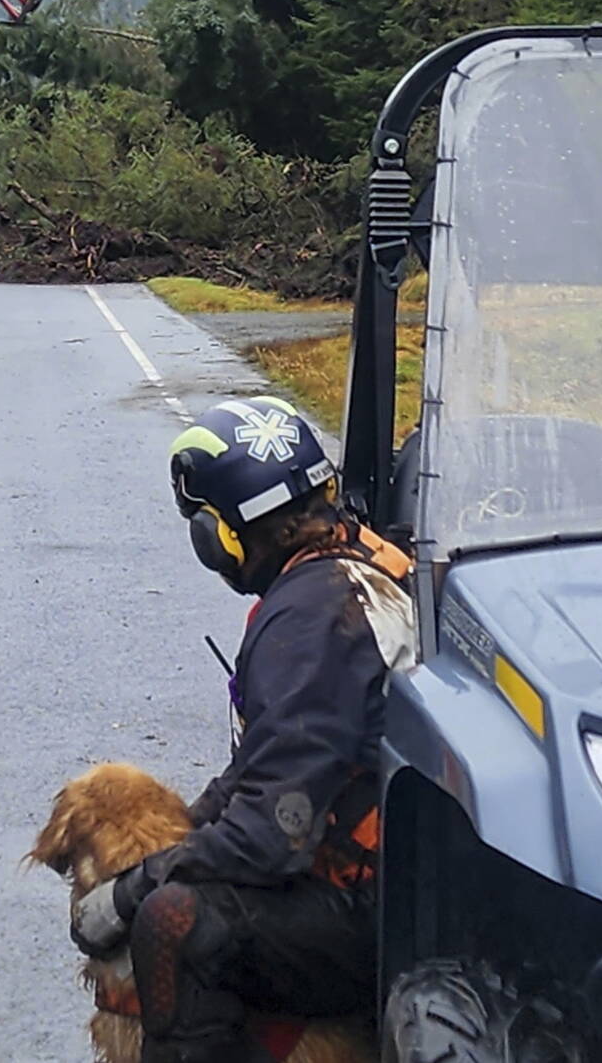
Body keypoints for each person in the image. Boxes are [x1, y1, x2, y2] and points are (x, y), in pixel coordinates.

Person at [70, 396, 416, 1063]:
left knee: (174, 923)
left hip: (372, 912)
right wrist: (193, 822)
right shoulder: (364, 560)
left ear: (222, 533)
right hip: (408, 880)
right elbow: (273, 760)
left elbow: (268, 837)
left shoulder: (311, 622)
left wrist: (132, 888)